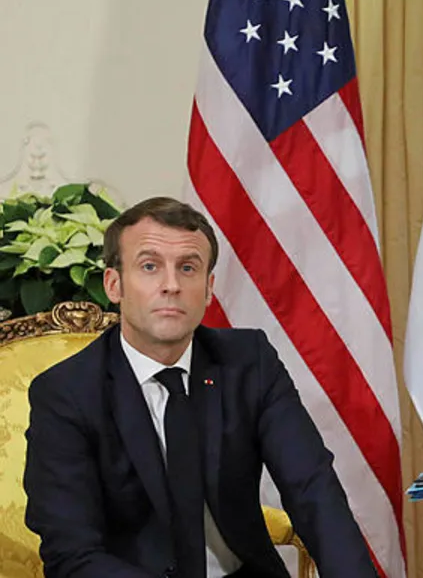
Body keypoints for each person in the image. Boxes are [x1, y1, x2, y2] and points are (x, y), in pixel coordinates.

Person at [24, 197, 377, 578]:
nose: (171, 285)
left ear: (208, 289)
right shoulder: (66, 393)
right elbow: (72, 555)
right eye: (149, 266)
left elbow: (312, 488)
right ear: (114, 284)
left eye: (188, 268)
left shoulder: (249, 362)